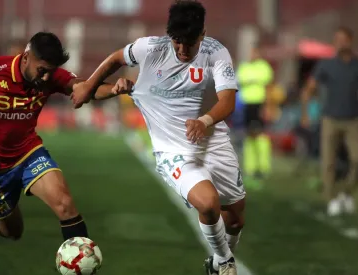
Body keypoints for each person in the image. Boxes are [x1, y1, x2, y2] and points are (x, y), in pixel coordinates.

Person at [71, 1, 245, 274]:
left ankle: (217, 260)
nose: (182, 49)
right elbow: (116, 58)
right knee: (208, 204)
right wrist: (89, 85)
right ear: (169, 36)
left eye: (189, 42)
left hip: (214, 143)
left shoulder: (215, 52)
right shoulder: (150, 49)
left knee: (234, 221)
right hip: (173, 152)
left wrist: (205, 120)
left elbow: (228, 101)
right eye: (177, 42)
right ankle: (224, 262)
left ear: (202, 34)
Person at [0, 32, 131, 243]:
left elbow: (86, 89)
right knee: (13, 232)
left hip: (28, 154)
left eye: (50, 72)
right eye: (42, 71)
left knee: (65, 204)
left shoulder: (51, 77)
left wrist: (116, 89)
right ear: (25, 57)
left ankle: (82, 259)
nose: (46, 78)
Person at [300, 26, 358, 216]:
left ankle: (345, 192)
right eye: (337, 39)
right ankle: (331, 199)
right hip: (330, 119)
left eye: (344, 39)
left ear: (350, 40)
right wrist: (305, 113)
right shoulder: (326, 65)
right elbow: (309, 89)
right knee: (328, 163)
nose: (340, 43)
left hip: (354, 119)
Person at [237, 46, 273, 182]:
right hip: (246, 105)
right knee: (249, 135)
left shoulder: (264, 67)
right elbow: (239, 81)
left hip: (260, 104)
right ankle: (250, 167)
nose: (252, 55)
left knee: (260, 135)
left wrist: (269, 106)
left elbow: (269, 87)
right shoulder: (244, 67)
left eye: (254, 52)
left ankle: (263, 167)